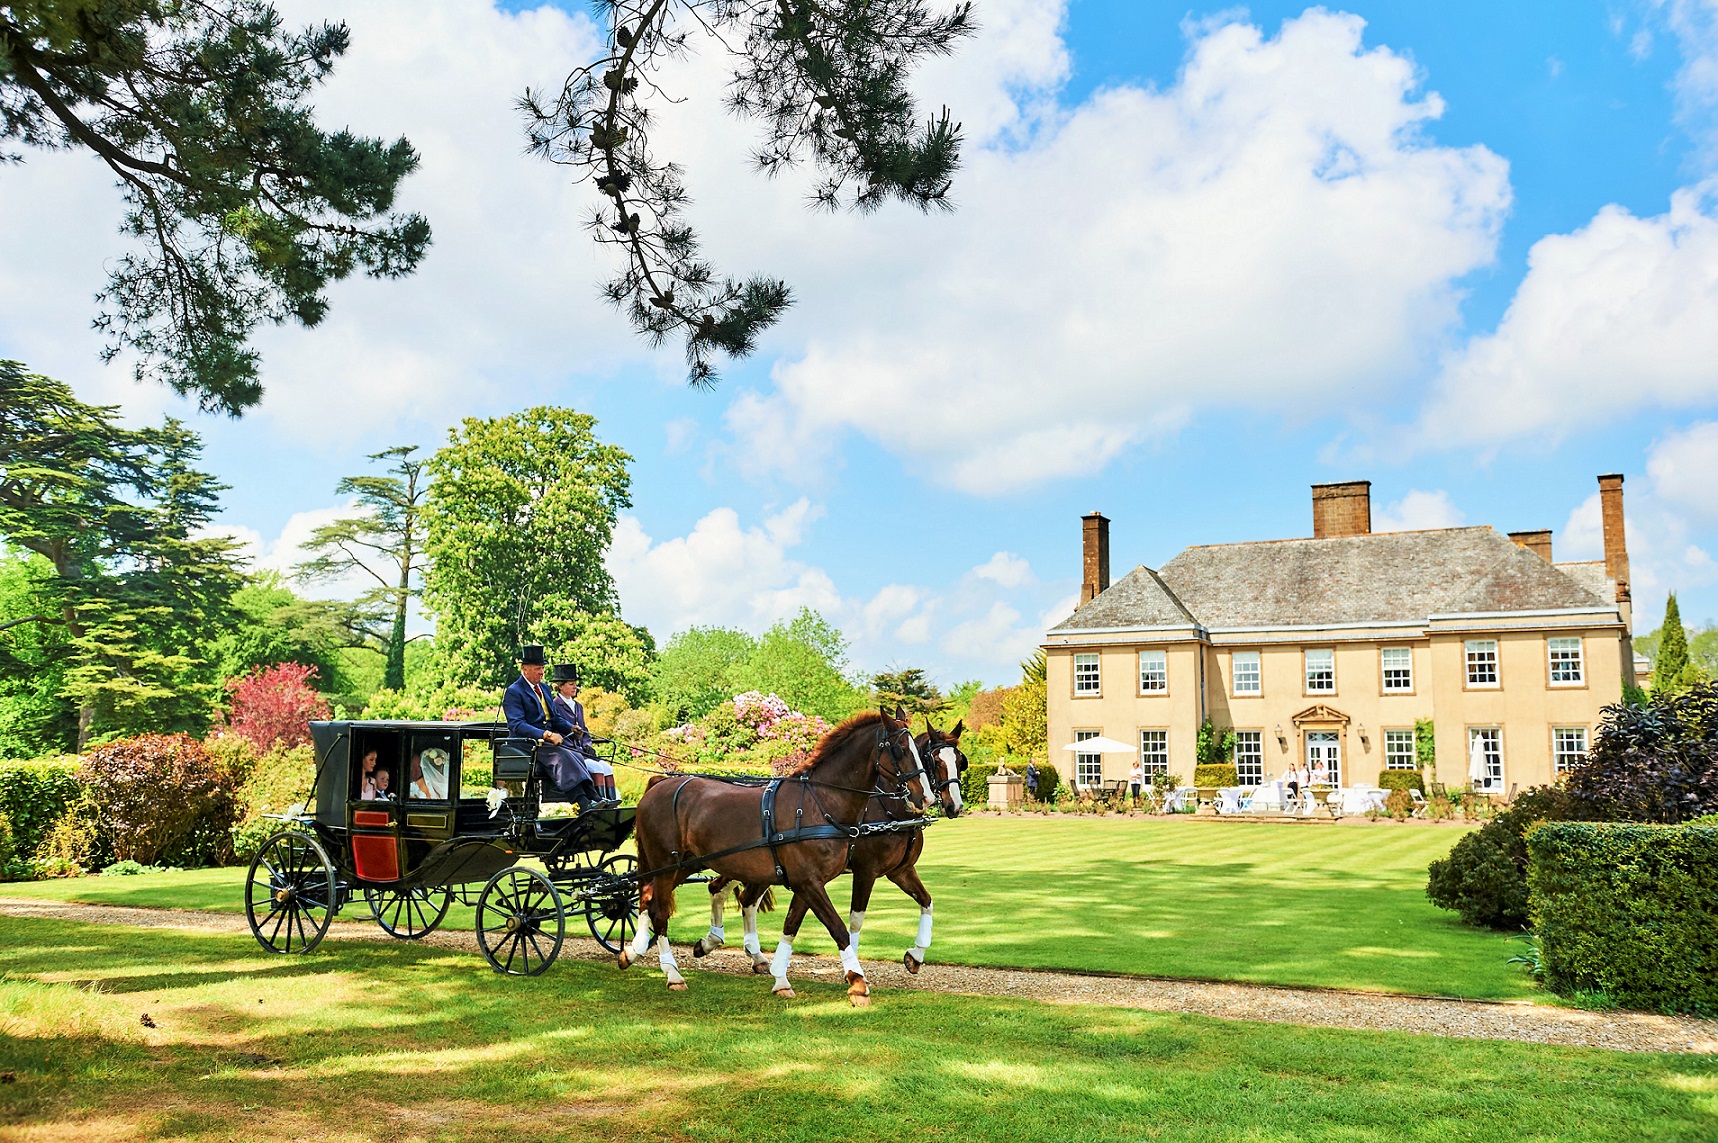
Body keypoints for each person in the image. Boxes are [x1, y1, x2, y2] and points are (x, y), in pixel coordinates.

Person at [548, 664, 618, 806]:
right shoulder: (555, 705)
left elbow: (584, 730)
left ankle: (610, 802)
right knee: (597, 768)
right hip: (570, 752)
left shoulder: (578, 706)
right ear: (560, 686)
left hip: (582, 751)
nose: (575, 687)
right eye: (571, 684)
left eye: (576, 684)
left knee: (607, 768)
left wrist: (587, 745)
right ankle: (596, 801)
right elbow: (558, 728)